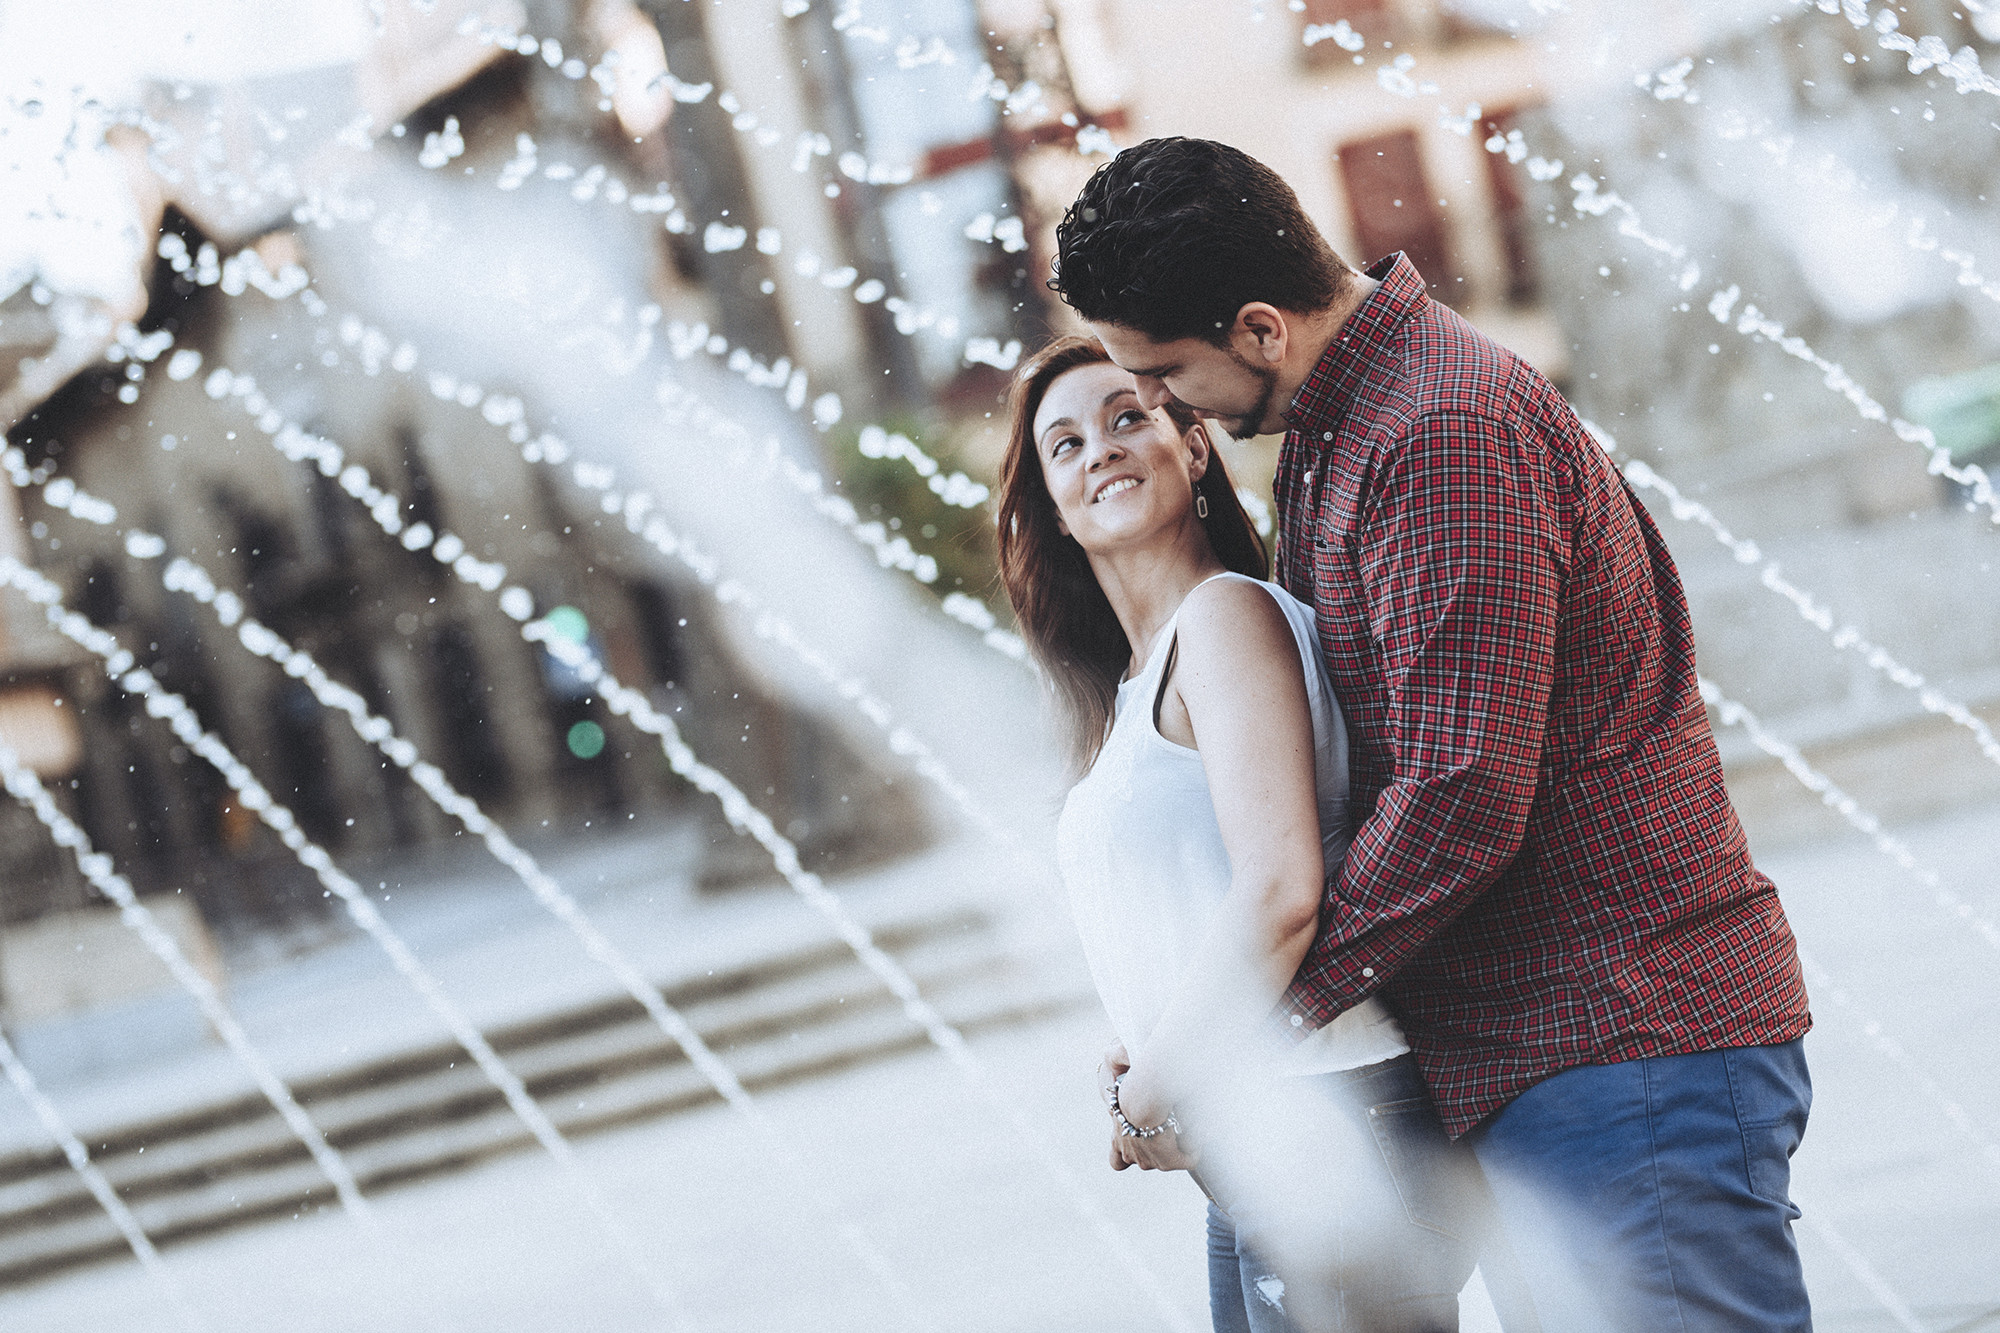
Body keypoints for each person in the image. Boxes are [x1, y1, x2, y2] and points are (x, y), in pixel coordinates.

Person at [1046, 137, 1815, 1331]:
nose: (1163, 407)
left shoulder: (1435, 434)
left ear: (1258, 327)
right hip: (1540, 1059)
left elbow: (1458, 798)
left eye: (1160, 377)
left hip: (1619, 1042)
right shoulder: (1338, 435)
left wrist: (1240, 1033)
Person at [999, 335, 1487, 1332]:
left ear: (1191, 444)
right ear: (1049, 504)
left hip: (1332, 1119)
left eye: (1127, 416)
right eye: (1066, 443)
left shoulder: (1221, 620)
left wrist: (1147, 1099)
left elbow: (1278, 892)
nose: (1100, 448)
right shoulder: (1133, 687)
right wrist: (1147, 1050)